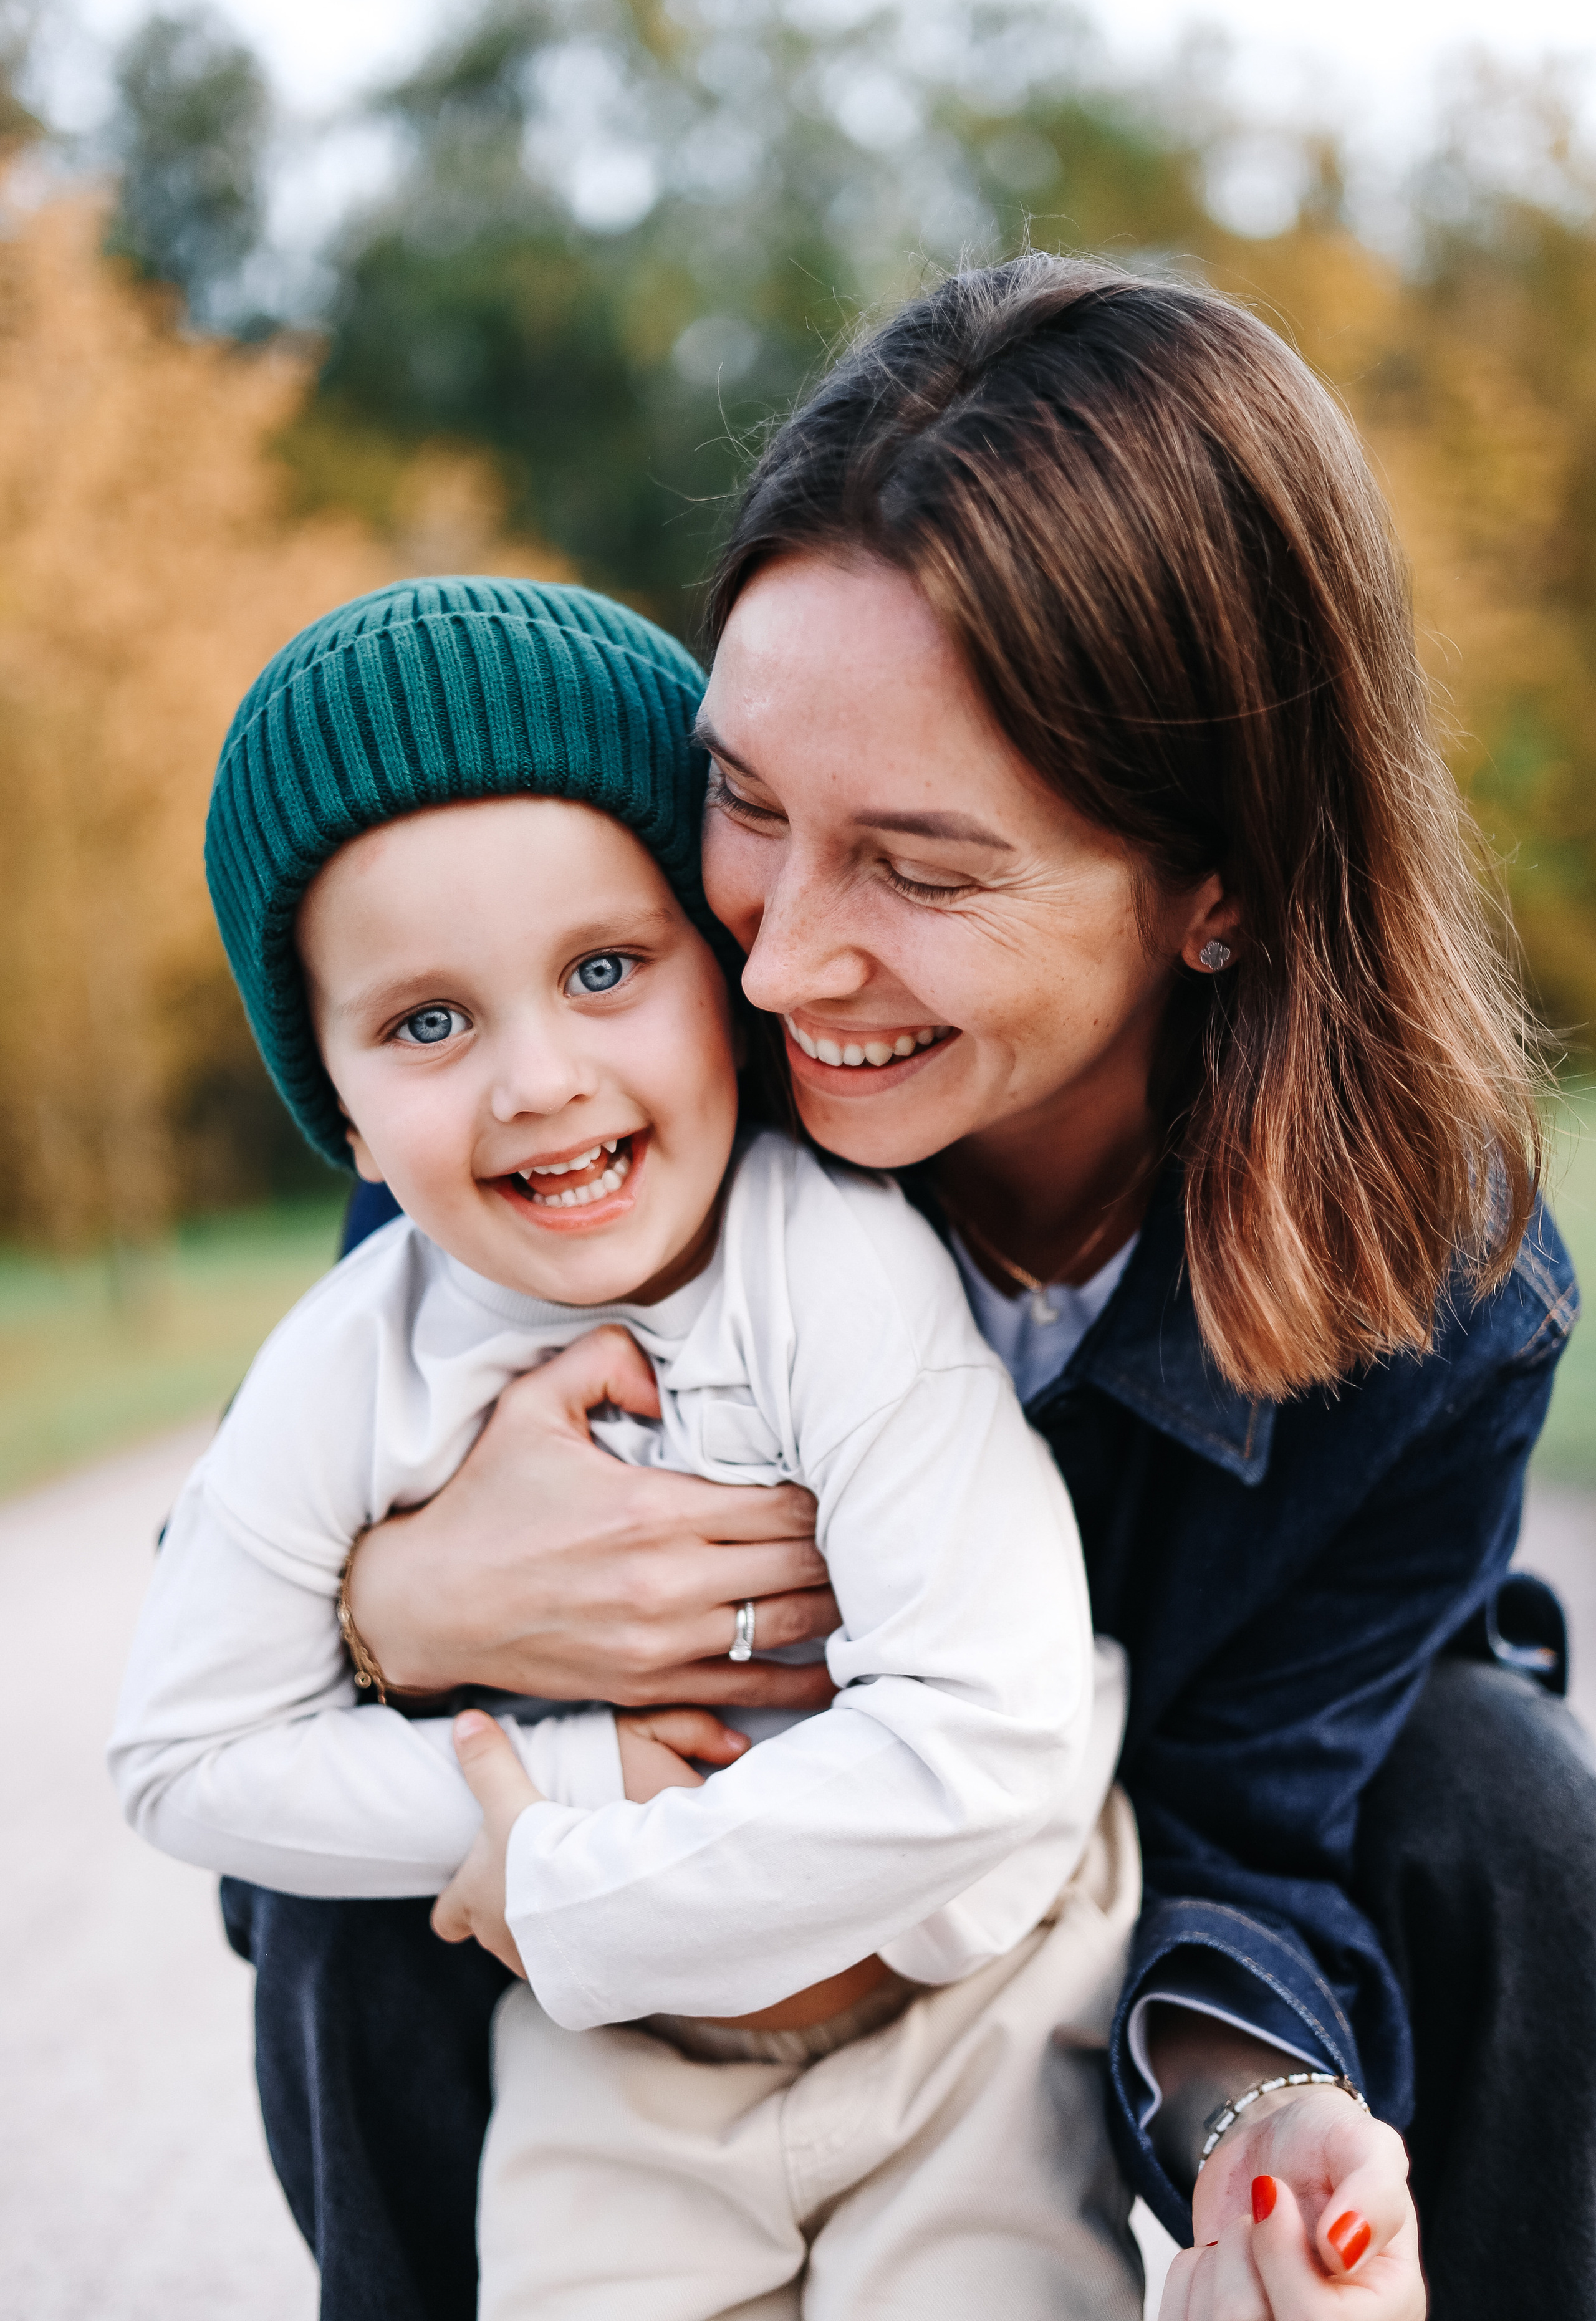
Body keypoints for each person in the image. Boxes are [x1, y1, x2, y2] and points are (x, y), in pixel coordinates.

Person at [225, 261, 1586, 2321]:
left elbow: (1253, 1830)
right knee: (371, 1878)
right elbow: (232, 1710)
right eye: (750, 806)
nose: (771, 967)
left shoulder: (1432, 1285)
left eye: (924, 871)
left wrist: (1256, 2122)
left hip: (1083, 1835)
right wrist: (400, 1609)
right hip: (632, 1886)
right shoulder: (598, 1101)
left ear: (1216, 886)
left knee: (1499, 1808)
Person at [112, 576, 1149, 2319]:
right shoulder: (350, 1370)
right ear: (344, 1106)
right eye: (427, 1022)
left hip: (965, 2013)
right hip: (624, 2062)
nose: (535, 1079)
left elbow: (992, 1728)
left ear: (722, 975)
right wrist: (567, 1792)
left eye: (605, 970)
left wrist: (583, 1878)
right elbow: (184, 1752)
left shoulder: (836, 1267)